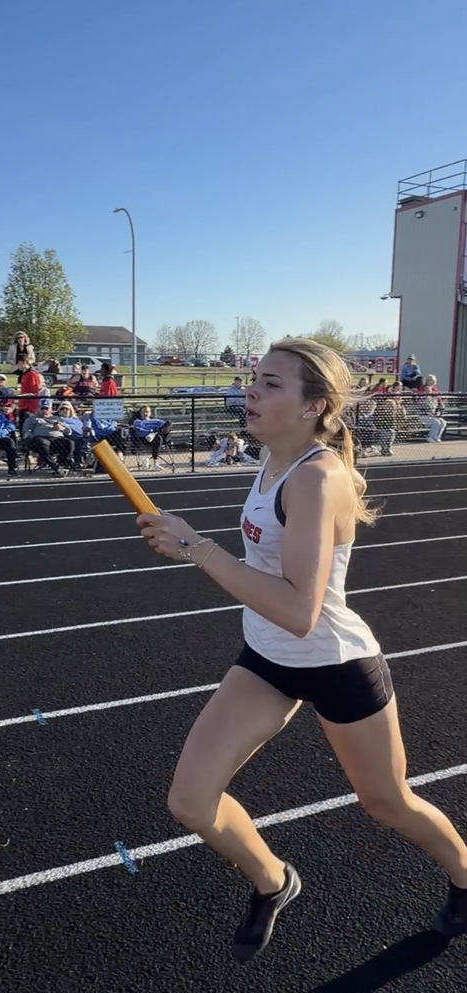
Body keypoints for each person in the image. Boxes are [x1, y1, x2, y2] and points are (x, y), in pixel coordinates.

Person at [136, 337, 467, 961]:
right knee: (190, 801)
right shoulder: (270, 461)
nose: (251, 392)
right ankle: (274, 880)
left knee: (386, 802)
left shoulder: (316, 478)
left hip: (336, 663)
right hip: (266, 659)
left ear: (315, 405)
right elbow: (273, 609)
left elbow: (298, 611)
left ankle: (466, 874)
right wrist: (192, 545)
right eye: (254, 379)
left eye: (271, 384)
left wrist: (196, 548)